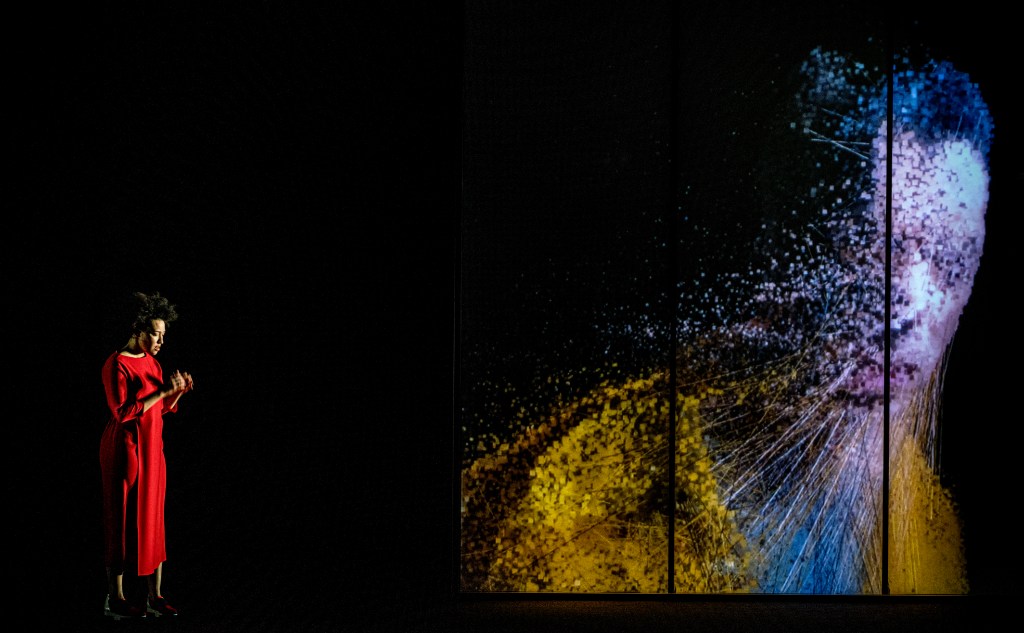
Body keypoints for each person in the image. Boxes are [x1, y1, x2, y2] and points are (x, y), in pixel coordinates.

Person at [99, 291, 194, 619]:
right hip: (124, 450)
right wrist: (163, 391)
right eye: (155, 334)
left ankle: (155, 596)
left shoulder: (153, 362)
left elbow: (157, 409)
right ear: (137, 329)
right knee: (121, 520)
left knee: (154, 520)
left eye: (163, 335)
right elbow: (123, 412)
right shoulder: (117, 364)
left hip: (153, 449)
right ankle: (116, 598)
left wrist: (175, 394)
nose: (160, 341)